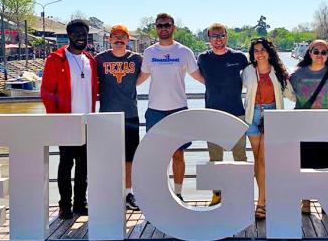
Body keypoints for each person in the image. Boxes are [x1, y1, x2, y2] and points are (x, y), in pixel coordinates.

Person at [136, 13, 204, 201]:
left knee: (178, 154)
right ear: (155, 28)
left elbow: (198, 76)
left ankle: (179, 194)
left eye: (167, 25)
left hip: (178, 110)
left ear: (174, 27)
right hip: (155, 111)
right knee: (157, 157)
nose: (163, 28)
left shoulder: (184, 52)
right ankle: (160, 195)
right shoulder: (149, 52)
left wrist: (223, 87)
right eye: (159, 25)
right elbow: (140, 78)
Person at [40, 19, 99, 220]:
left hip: (87, 120)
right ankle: (65, 205)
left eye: (84, 34)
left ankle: (80, 203)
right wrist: (56, 119)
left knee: (84, 166)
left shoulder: (90, 60)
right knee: (66, 164)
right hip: (66, 120)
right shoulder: (56, 59)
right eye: (76, 34)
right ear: (69, 36)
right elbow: (47, 92)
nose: (81, 37)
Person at [289, 40, 328, 214]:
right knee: (305, 165)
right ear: (309, 53)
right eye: (316, 51)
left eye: (324, 52)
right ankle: (305, 200)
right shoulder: (296, 74)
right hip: (305, 126)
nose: (320, 55)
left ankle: (326, 201)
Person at [197, 23, 249, 205]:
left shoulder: (239, 57)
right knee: (215, 159)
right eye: (214, 36)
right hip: (213, 115)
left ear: (226, 36)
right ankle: (217, 195)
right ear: (209, 39)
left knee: (240, 157)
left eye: (221, 36)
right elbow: (199, 76)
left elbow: (254, 75)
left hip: (237, 113)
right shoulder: (203, 58)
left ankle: (241, 194)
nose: (218, 40)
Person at [242, 37, 294, 219]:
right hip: (252, 116)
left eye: (263, 50)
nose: (260, 53)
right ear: (252, 54)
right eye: (256, 50)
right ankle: (264, 196)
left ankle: (261, 203)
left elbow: (292, 95)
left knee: (264, 160)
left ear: (269, 52)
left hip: (273, 115)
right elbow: (236, 89)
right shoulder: (248, 71)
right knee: (257, 160)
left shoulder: (278, 71)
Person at [95, 24, 142, 211]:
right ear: (109, 39)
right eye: (115, 36)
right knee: (108, 156)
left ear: (128, 40)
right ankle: (109, 193)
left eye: (123, 36)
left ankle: (128, 193)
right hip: (107, 115)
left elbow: (148, 74)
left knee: (130, 157)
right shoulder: (99, 59)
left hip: (130, 113)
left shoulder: (137, 59)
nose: (119, 39)